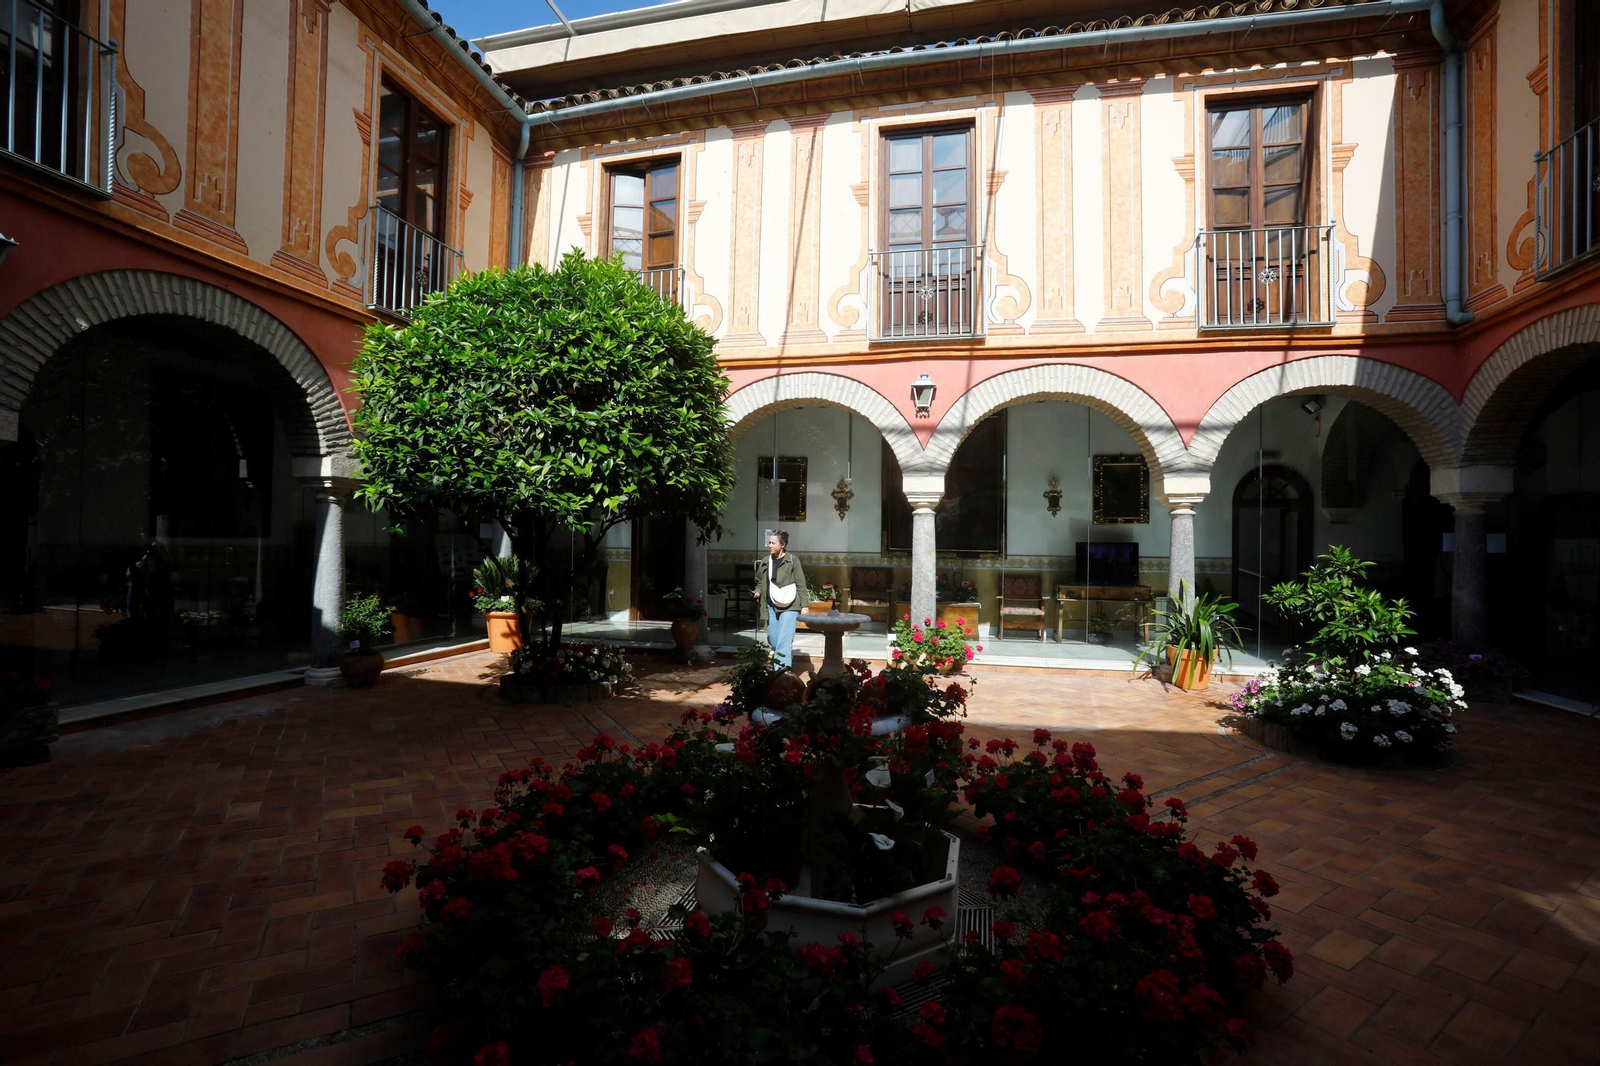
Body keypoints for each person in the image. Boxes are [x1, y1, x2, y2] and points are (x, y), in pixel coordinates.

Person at [752, 530, 808, 669]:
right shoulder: (766, 561)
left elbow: (801, 584)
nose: (769, 545)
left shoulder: (792, 560)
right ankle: (784, 658)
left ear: (782, 544)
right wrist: (758, 592)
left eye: (773, 543)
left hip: (790, 606)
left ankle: (781, 674)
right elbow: (760, 581)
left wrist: (804, 606)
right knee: (773, 639)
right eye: (769, 542)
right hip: (771, 605)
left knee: (783, 641)